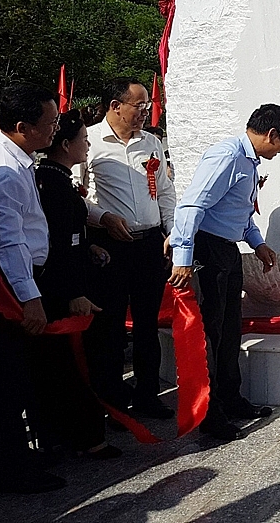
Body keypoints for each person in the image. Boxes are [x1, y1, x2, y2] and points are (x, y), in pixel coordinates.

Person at [0, 83, 66, 493]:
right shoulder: (1, 171)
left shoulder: (18, 158)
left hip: (17, 278)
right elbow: (8, 241)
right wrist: (30, 298)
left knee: (19, 378)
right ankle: (11, 470)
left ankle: (18, 457)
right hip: (4, 286)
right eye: (50, 123)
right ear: (22, 126)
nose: (56, 129)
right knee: (8, 380)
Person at [168, 104, 280, 442]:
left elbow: (237, 210)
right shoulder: (225, 156)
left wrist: (257, 243)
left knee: (229, 328)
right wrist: (183, 256)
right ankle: (209, 415)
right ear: (271, 134)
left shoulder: (248, 161)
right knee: (211, 333)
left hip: (227, 251)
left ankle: (231, 399)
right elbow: (193, 205)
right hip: (208, 249)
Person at [83, 78, 177, 419]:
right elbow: (77, 195)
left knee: (147, 324)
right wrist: (102, 217)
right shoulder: (90, 142)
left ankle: (148, 394)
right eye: (139, 106)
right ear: (115, 106)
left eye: (147, 106)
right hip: (109, 246)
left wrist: (171, 230)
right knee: (108, 327)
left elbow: (165, 192)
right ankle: (111, 401)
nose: (144, 112)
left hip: (149, 244)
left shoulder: (150, 142)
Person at [30, 110, 120, 459]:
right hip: (57, 290)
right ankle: (81, 437)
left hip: (66, 279)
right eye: (83, 139)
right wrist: (74, 293)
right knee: (63, 367)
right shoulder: (51, 184)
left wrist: (89, 246)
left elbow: (70, 236)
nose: (88, 144)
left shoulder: (56, 179)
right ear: (65, 144)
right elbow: (54, 246)